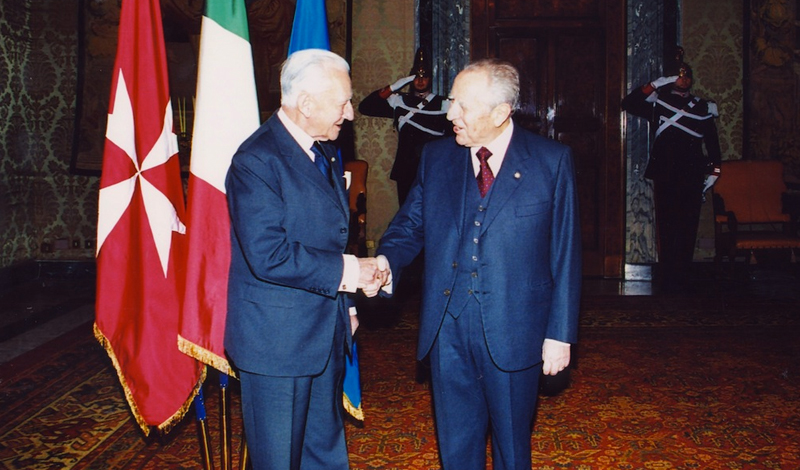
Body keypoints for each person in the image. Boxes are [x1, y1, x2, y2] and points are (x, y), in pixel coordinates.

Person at [374, 58, 582, 470]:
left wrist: (559, 334)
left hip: (515, 328)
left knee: (511, 446)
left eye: (462, 106)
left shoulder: (550, 161)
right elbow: (409, 227)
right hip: (446, 329)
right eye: (452, 102)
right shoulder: (436, 158)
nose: (450, 114)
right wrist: (384, 262)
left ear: (501, 112)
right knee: (456, 446)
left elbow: (565, 253)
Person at [224, 49, 384, 470]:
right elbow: (269, 255)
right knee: (279, 460)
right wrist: (351, 273)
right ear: (307, 104)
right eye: (343, 102)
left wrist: (344, 305)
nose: (349, 114)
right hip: (276, 344)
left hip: (324, 331)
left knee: (324, 455)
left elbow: (330, 237)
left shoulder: (324, 150)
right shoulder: (256, 161)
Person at [622, 59, 721, 289]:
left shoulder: (702, 106)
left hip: (693, 172)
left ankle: (684, 273)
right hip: (666, 171)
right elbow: (628, 103)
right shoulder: (659, 103)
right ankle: (668, 275)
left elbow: (712, 142)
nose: (683, 79)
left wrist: (715, 170)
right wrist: (657, 83)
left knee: (688, 224)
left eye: (687, 75)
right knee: (667, 224)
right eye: (678, 75)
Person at [358, 47, 452, 205]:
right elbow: (366, 107)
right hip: (406, 169)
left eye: (425, 76)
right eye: (416, 76)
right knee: (406, 215)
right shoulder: (399, 102)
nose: (420, 80)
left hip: (434, 168)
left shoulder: (443, 104)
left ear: (431, 79)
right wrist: (393, 87)